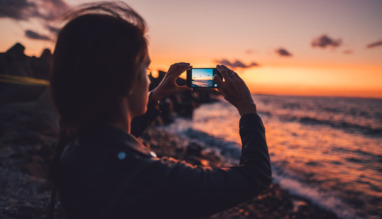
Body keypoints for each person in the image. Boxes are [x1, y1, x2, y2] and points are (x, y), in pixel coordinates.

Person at [49, 2, 271, 219]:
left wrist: (156, 95)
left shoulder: (77, 145)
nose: (149, 79)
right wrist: (247, 109)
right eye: (146, 68)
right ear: (125, 81)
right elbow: (255, 176)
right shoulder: (150, 177)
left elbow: (111, 136)